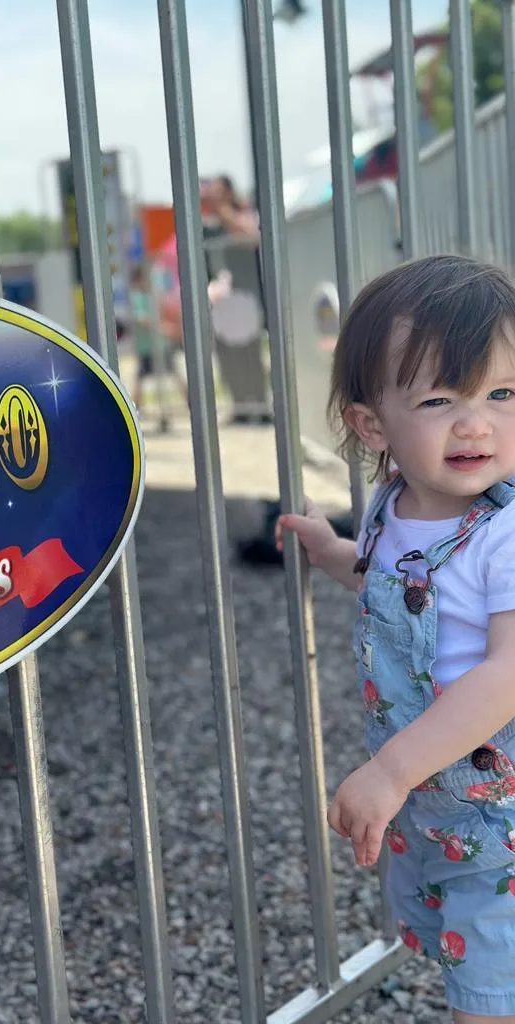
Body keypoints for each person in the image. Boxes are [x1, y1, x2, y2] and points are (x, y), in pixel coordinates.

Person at [277, 254, 515, 1023]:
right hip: (434, 804)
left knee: (489, 983)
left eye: (502, 393)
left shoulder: (505, 535)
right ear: (372, 425)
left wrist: (391, 769)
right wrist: (335, 555)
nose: (476, 422)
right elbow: (403, 587)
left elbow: (507, 672)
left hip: (500, 814)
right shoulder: (392, 503)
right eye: (441, 399)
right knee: (463, 947)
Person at [129, 264, 187, 412]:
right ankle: (136, 407)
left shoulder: (151, 296)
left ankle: (190, 400)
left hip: (159, 345)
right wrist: (162, 328)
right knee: (141, 377)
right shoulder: (136, 297)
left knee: (174, 372)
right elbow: (142, 319)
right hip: (147, 346)